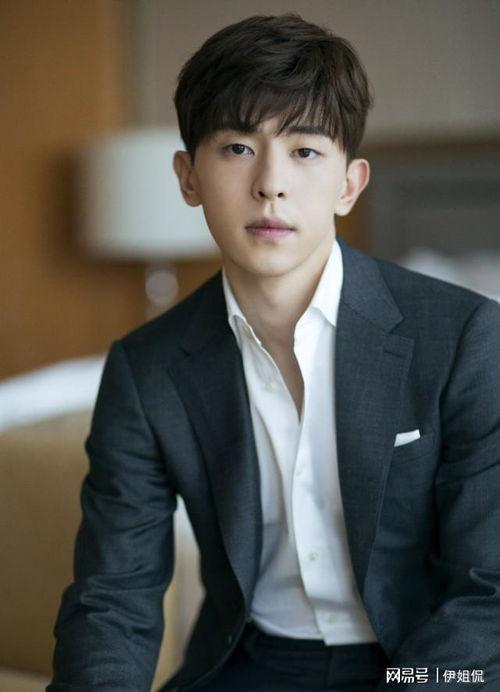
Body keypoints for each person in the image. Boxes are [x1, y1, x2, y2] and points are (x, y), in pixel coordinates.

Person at [48, 13, 500, 692]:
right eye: (237, 147)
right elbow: (112, 597)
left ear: (350, 184)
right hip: (248, 665)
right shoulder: (147, 370)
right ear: (188, 177)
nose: (270, 184)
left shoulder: (466, 338)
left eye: (305, 151)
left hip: (422, 660)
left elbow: (488, 591)